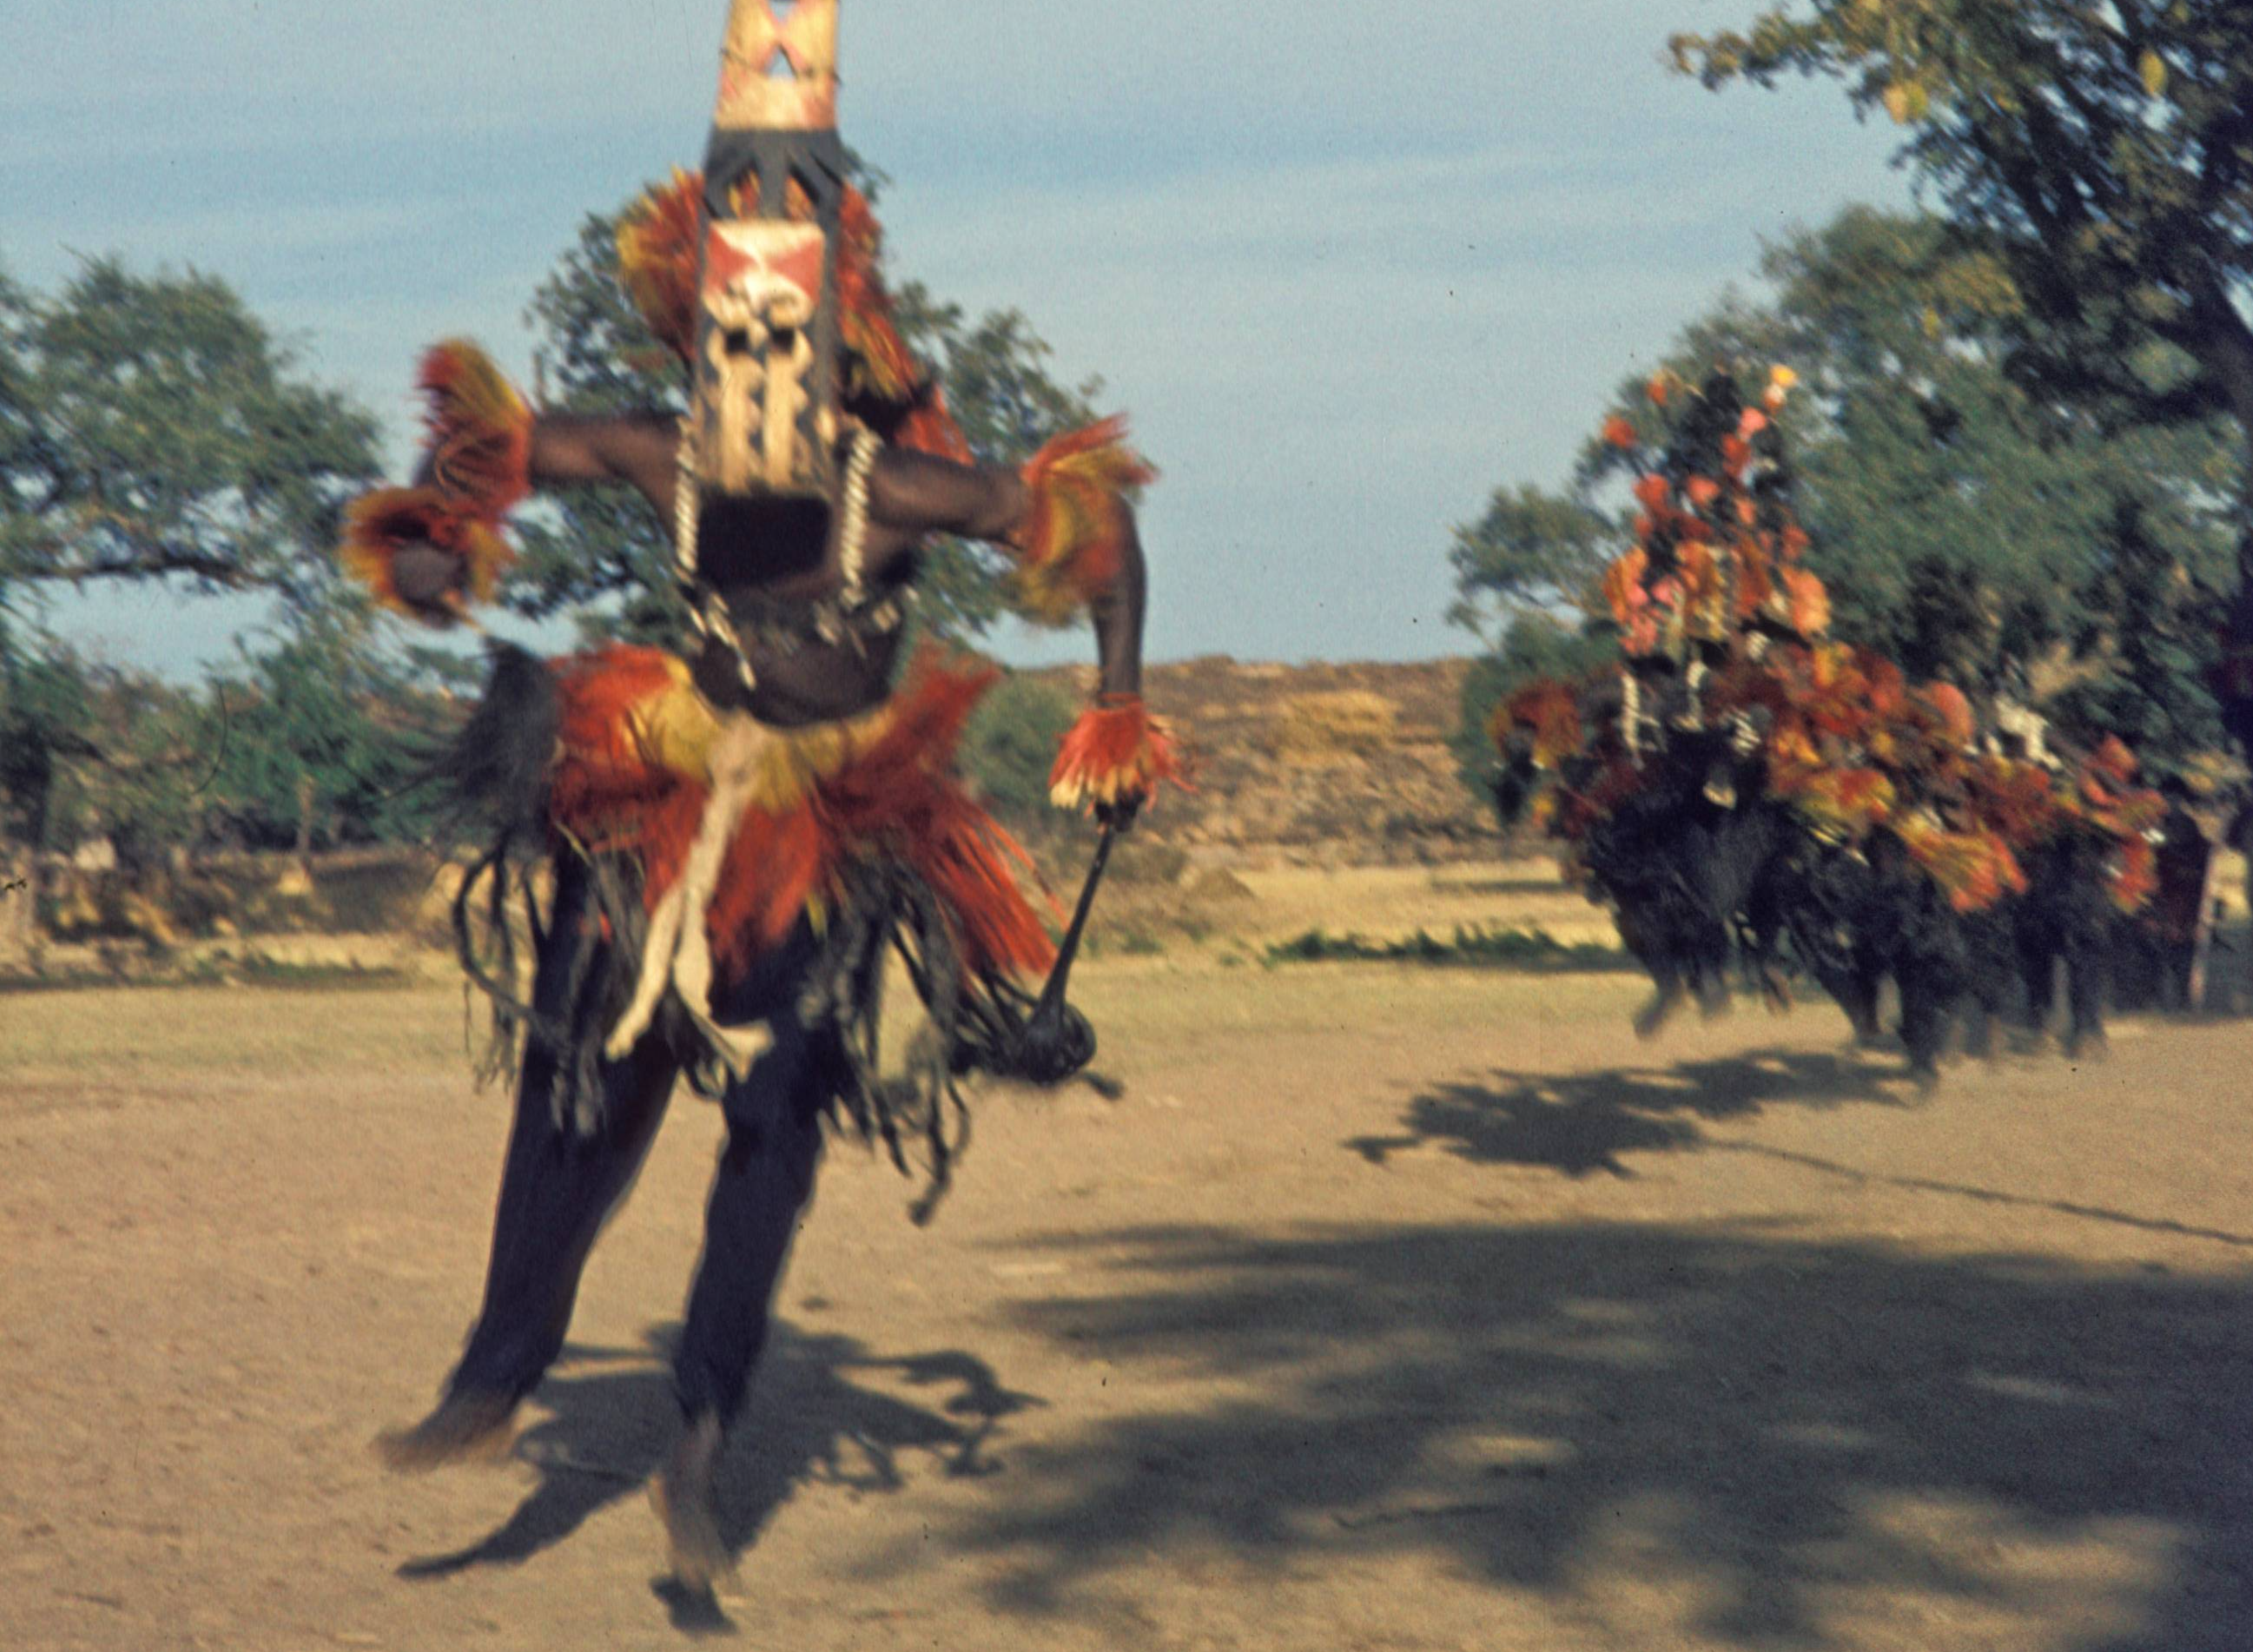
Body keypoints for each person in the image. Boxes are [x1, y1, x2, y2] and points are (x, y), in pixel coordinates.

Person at [344, 7, 1177, 1590]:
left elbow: (1097, 531)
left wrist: (1119, 704)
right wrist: (434, 539)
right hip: (672, 771)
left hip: (834, 820)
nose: (749, 385)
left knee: (775, 1124)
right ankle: (498, 1366)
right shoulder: (667, 453)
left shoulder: (903, 490)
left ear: (826, 364)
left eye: (779, 356)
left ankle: (704, 1441)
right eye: (727, 354)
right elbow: (496, 452)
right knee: (576, 1047)